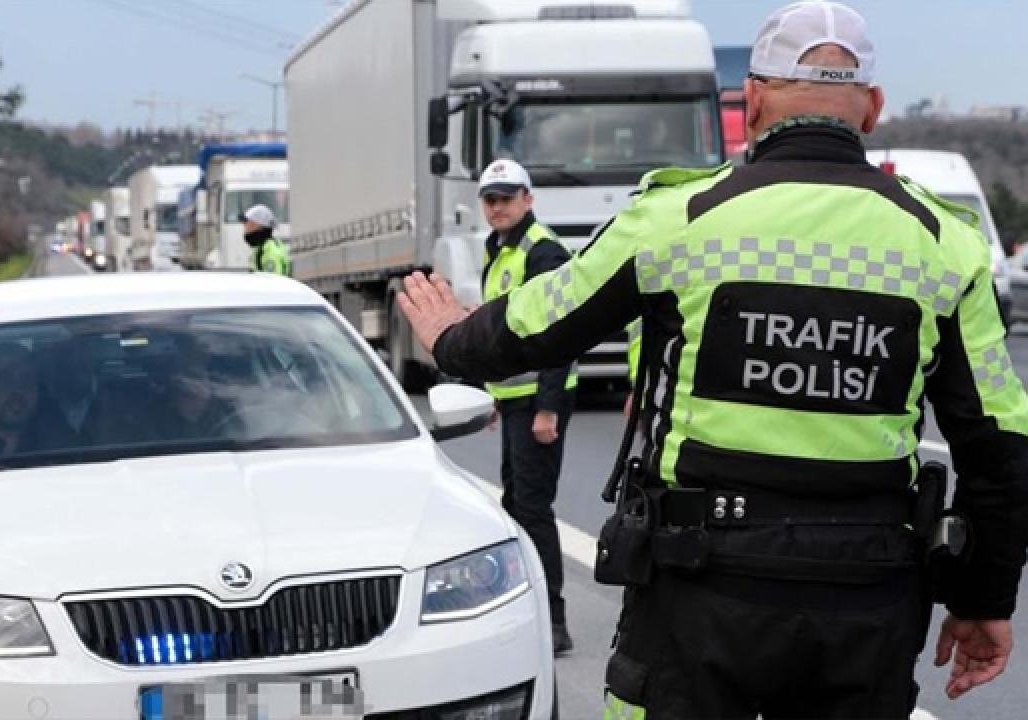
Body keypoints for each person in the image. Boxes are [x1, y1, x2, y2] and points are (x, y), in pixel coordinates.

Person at [397, 3, 1028, 718]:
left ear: (751, 101)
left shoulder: (679, 218)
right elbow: (999, 444)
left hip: (699, 589)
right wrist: (983, 598)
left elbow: (538, 327)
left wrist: (452, 338)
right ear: (874, 108)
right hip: (868, 598)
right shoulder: (947, 242)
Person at [474, 158, 580, 655]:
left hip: (539, 400)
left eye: (507, 198)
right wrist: (493, 395)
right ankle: (530, 609)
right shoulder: (498, 252)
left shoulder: (543, 251)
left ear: (528, 200)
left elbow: (559, 335)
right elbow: (503, 332)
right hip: (515, 398)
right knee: (515, 506)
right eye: (491, 199)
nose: (497, 207)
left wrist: (548, 409)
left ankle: (553, 621)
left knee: (533, 509)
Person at [242, 204, 291, 276]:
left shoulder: (270, 252)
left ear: (260, 227)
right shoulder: (262, 248)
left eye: (249, 226)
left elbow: (273, 283)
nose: (246, 231)